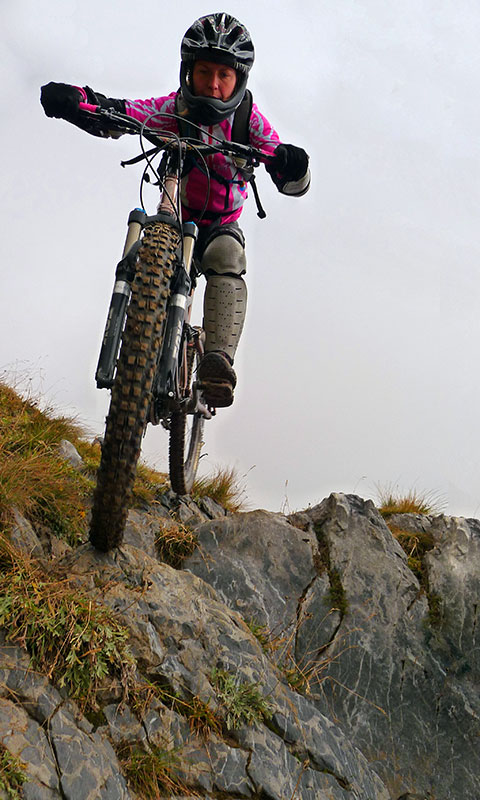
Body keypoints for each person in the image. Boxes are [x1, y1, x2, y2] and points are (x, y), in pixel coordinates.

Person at [40, 12, 310, 407]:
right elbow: (121, 112)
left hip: (218, 225)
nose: (213, 84)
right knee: (147, 246)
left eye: (224, 75)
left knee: (227, 254)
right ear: (188, 72)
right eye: (204, 72)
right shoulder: (172, 110)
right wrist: (75, 101)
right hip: (174, 217)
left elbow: (290, 177)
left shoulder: (248, 121)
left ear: (239, 80)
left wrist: (292, 162)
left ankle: (217, 364)